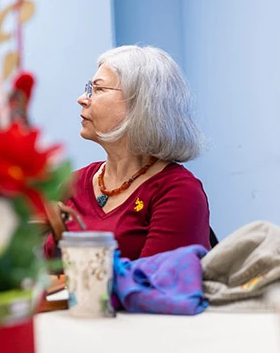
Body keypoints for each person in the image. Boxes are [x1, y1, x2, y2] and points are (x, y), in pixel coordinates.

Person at [45, 45, 210, 261]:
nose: (82, 99)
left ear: (140, 104)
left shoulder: (179, 192)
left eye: (98, 89)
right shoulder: (74, 182)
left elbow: (155, 287)